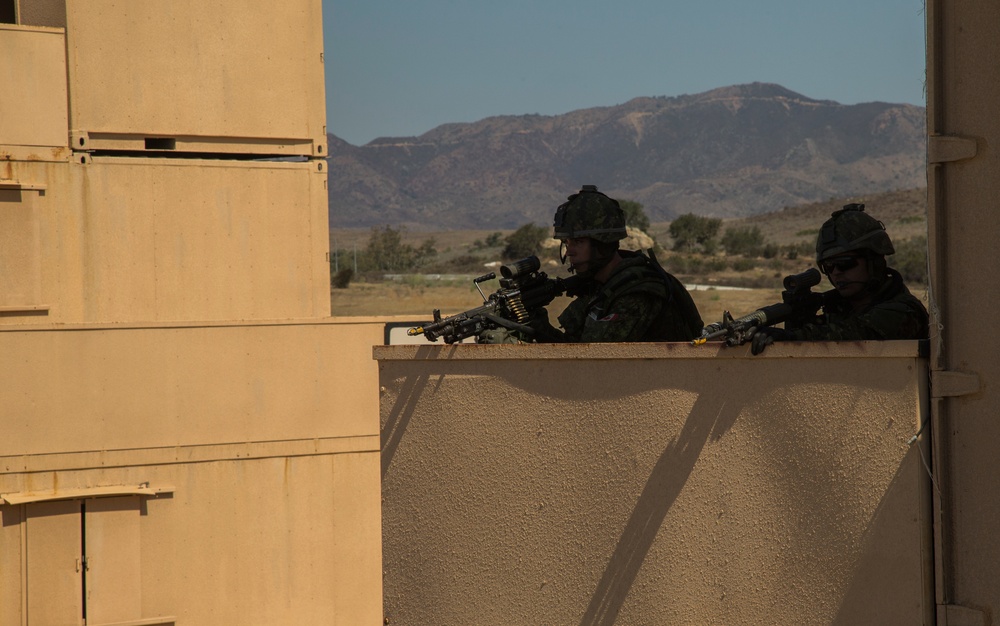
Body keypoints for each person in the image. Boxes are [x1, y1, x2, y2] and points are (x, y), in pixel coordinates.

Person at [480, 185, 702, 343]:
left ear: (602, 243)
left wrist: (539, 331)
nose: (569, 250)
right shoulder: (600, 285)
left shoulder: (636, 292)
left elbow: (593, 360)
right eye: (566, 242)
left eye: (578, 241)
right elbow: (576, 346)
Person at [750, 203, 929, 354]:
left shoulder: (904, 311)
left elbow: (852, 333)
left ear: (874, 261)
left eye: (845, 263)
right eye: (828, 267)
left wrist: (791, 337)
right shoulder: (842, 310)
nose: (836, 273)